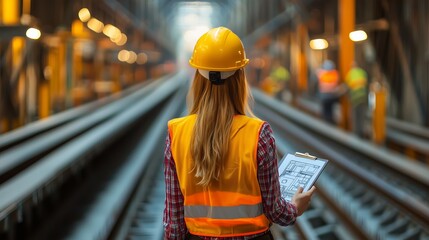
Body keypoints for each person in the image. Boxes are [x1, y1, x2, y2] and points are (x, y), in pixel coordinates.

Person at [163, 27, 316, 240]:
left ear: (197, 78)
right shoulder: (259, 134)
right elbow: (276, 211)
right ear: (240, 78)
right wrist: (295, 207)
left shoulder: (176, 132)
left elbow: (175, 222)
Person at [345, 62, 368, 137]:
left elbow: (347, 87)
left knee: (355, 116)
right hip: (362, 98)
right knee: (361, 116)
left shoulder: (350, 74)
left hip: (355, 99)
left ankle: (356, 134)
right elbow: (366, 82)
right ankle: (361, 132)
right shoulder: (362, 72)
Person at [316, 60, 341, 124]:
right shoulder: (335, 73)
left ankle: (326, 122)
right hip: (333, 95)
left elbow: (317, 74)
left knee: (325, 111)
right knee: (331, 111)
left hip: (324, 95)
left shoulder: (321, 73)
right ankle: (331, 121)